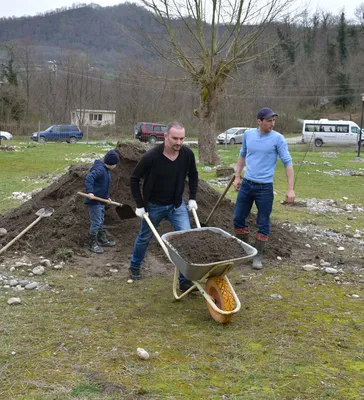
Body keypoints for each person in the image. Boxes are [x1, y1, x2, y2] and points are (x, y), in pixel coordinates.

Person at [129, 121, 199, 292]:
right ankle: (134, 266)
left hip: (177, 205)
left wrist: (192, 198)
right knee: (144, 237)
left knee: (186, 238)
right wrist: (140, 205)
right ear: (166, 136)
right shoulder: (151, 157)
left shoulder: (187, 154)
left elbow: (194, 174)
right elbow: (134, 178)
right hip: (154, 206)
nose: (179, 142)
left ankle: (184, 280)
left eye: (182, 138)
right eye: (175, 138)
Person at [233, 108, 295, 270]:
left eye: (274, 120)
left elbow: (287, 163)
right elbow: (242, 155)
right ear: (259, 121)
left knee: (263, 222)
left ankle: (257, 256)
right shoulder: (248, 135)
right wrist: (238, 176)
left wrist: (290, 189)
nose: (272, 123)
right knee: (238, 217)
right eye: (269, 120)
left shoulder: (278, 139)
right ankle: (245, 251)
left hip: (265, 188)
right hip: (247, 184)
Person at [84, 149, 120, 253]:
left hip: (100, 201)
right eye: (116, 164)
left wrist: (106, 197)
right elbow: (89, 178)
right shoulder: (100, 170)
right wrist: (90, 192)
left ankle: (101, 239)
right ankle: (92, 244)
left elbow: (102, 187)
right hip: (94, 201)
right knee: (96, 222)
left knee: (100, 220)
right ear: (112, 163)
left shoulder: (106, 171)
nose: (116, 166)